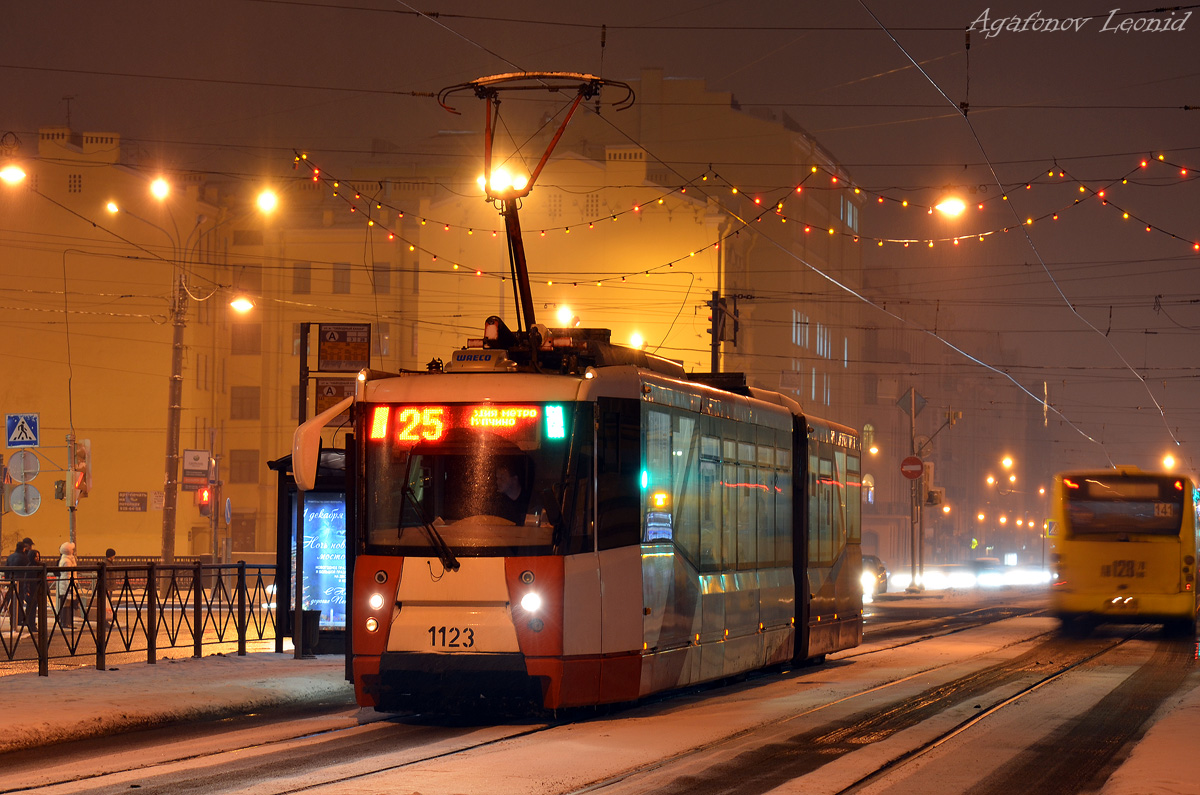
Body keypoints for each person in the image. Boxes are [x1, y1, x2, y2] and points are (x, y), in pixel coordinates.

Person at [56, 541, 78, 625]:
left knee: (67, 604)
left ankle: (66, 622)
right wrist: (70, 588)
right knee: (66, 604)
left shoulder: (68, 559)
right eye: (72, 549)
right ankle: (65, 622)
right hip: (67, 586)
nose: (73, 551)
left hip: (67, 586)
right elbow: (67, 576)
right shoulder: (67, 561)